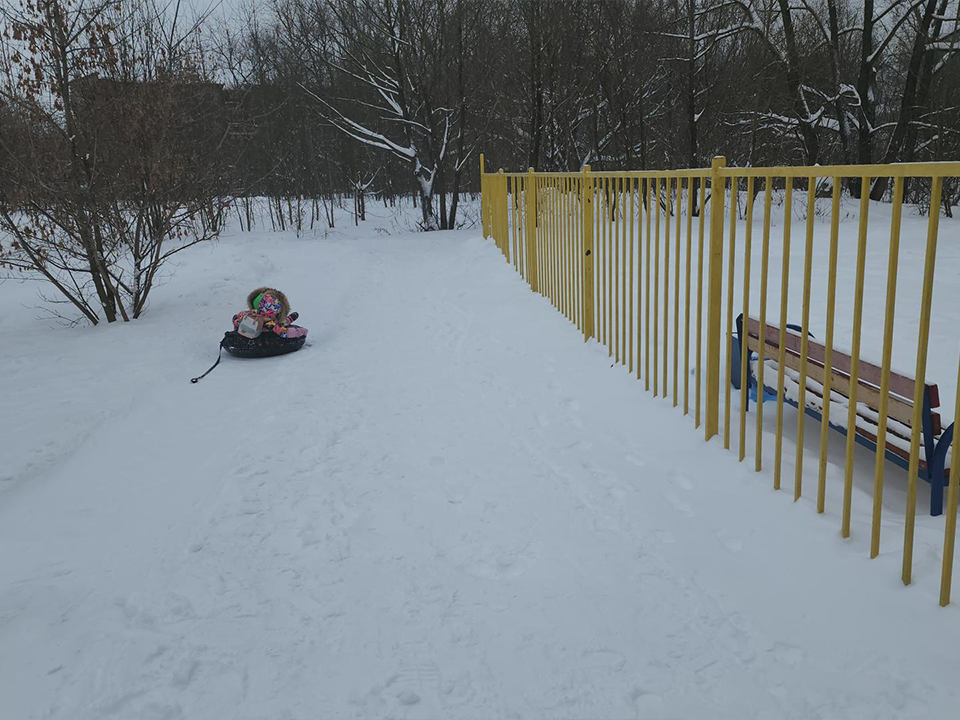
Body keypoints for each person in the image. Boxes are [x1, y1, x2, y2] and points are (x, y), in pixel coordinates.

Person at [232, 287, 308, 339]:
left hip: (248, 327)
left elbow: (236, 318)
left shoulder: (250, 315)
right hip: (263, 332)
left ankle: (289, 318)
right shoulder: (270, 324)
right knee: (282, 323)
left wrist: (237, 325)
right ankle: (289, 319)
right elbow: (284, 333)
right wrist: (301, 331)